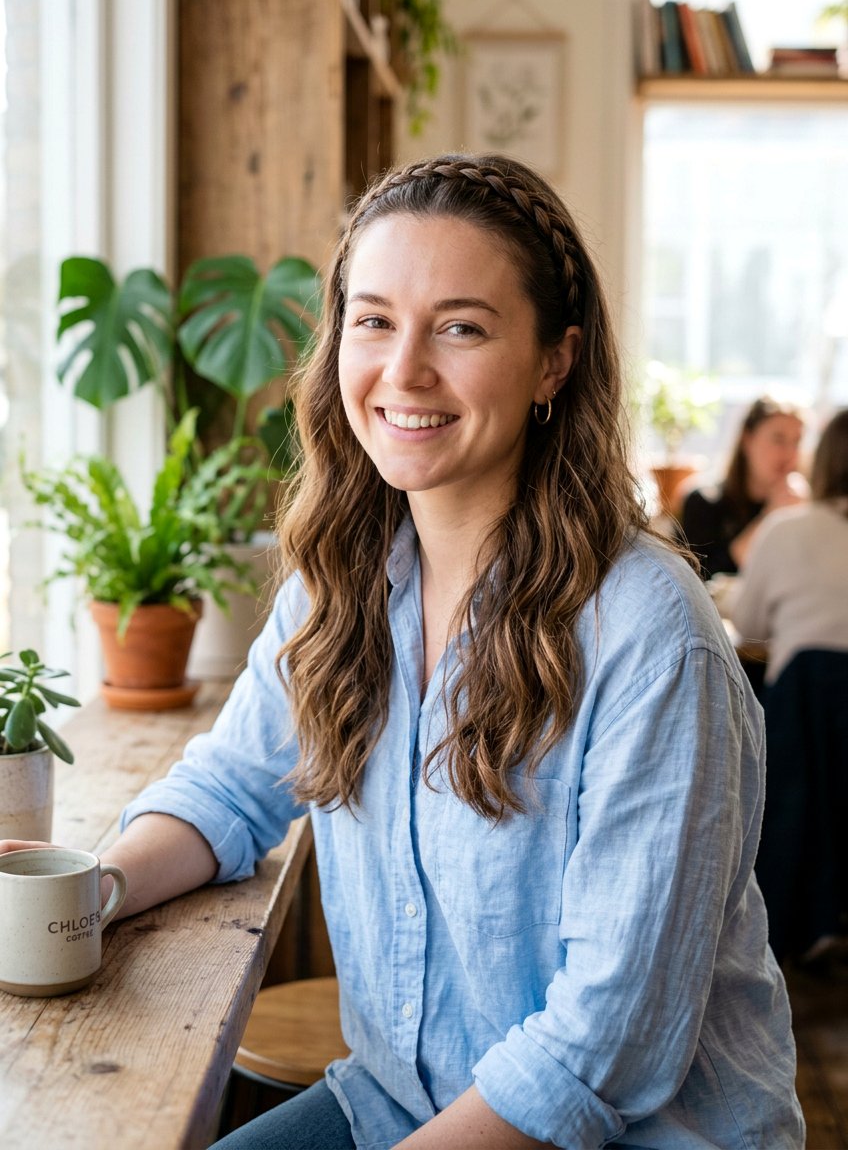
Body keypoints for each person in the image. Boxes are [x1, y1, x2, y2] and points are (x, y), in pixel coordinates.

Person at [0, 154, 804, 1149]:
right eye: (373, 320)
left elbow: (600, 1047)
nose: (404, 370)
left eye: (460, 326)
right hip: (395, 1100)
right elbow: (231, 786)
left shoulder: (649, 633)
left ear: (554, 360)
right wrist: (87, 892)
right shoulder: (342, 579)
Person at [729, 408, 848, 964]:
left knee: (790, 792)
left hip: (804, 696)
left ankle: (793, 927)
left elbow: (749, 628)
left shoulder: (789, 527)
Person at [680, 395, 807, 579]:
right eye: (778, 439)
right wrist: (770, 516)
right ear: (747, 440)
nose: (789, 453)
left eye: (797, 442)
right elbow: (700, 579)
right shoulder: (704, 501)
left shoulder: (801, 506)